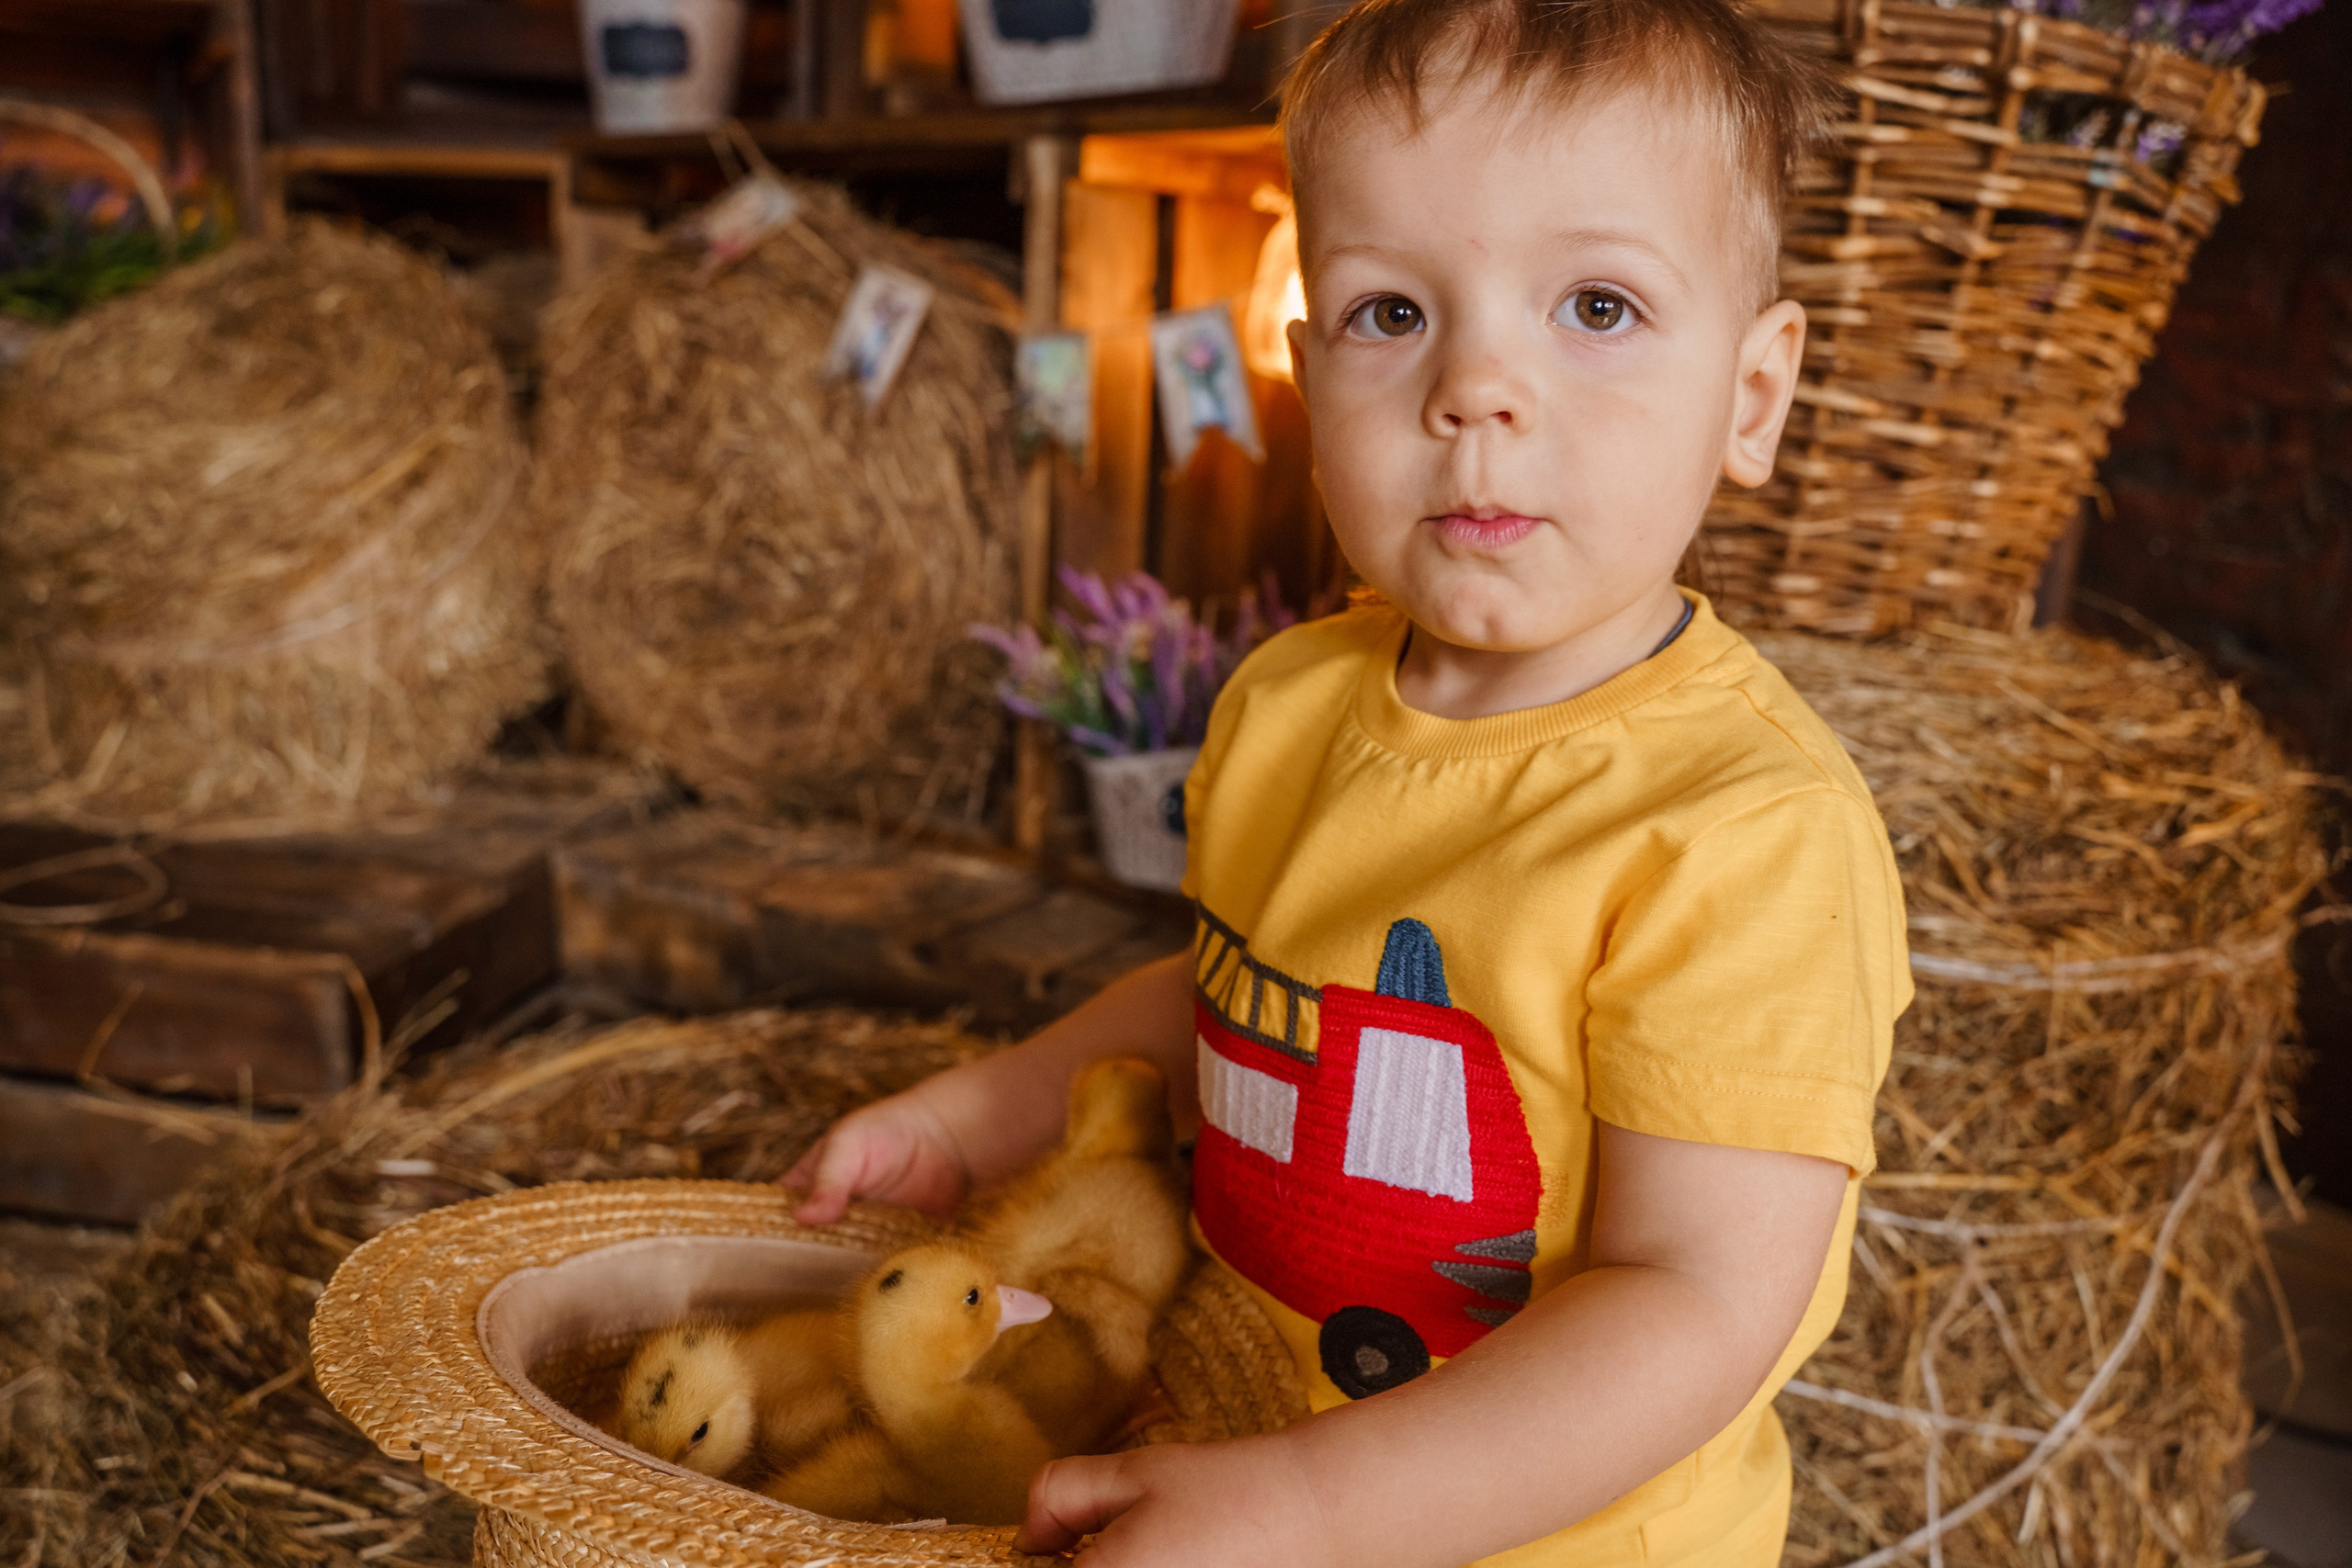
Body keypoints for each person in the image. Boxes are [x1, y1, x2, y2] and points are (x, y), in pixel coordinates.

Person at [786, 1, 1910, 1562]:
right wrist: (983, 1114)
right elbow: (1226, 1002)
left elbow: (1694, 1303)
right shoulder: (1291, 701)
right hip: (1225, 1458)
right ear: (1310, 373)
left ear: (1753, 395)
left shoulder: (1743, 830)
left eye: (1594, 305)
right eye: (1394, 315)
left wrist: (1315, 1507)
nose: (1478, 390)